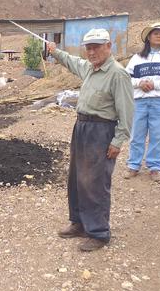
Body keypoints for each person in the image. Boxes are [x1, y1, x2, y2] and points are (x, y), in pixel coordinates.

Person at [47, 29, 134, 252]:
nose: (91, 51)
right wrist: (56, 52)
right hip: (82, 127)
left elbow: (127, 112)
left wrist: (118, 141)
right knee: (77, 178)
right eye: (88, 47)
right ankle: (78, 223)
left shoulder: (118, 74)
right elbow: (71, 60)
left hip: (101, 130)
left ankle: (99, 232)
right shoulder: (89, 68)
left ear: (108, 46)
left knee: (95, 182)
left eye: (96, 46)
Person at [124, 22, 160, 183]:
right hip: (140, 101)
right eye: (155, 33)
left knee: (159, 135)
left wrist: (154, 85)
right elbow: (126, 78)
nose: (158, 35)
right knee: (136, 134)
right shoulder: (137, 58)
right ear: (148, 37)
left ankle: (155, 167)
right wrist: (140, 83)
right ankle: (133, 166)